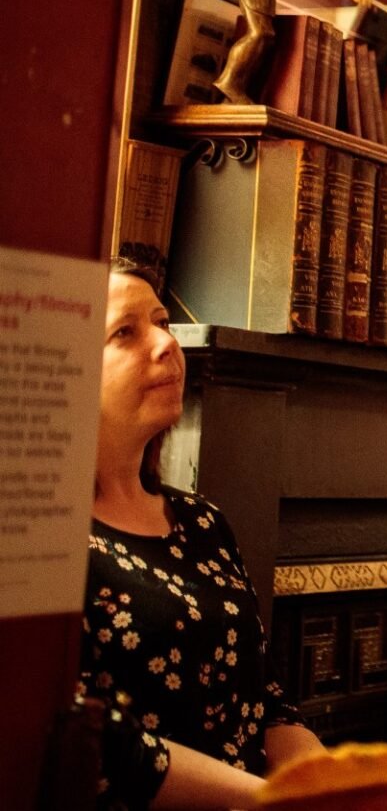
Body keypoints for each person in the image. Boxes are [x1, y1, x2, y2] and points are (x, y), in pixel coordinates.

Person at [81, 259, 324, 809]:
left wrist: (334, 785)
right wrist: (268, 800)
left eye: (163, 321)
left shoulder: (202, 521)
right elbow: (102, 745)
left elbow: (264, 697)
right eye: (126, 331)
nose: (167, 343)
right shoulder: (43, 542)